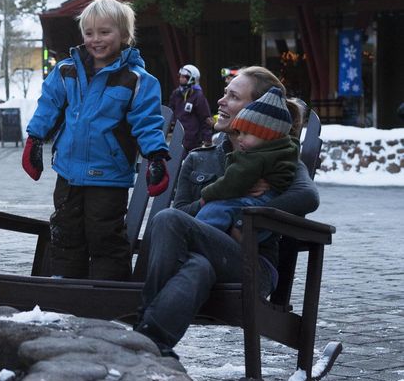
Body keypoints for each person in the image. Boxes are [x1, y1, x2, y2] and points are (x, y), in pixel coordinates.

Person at [136, 66, 320, 358]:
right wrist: (227, 195)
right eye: (224, 94)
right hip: (202, 256)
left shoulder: (277, 159)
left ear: (256, 109)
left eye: (233, 97)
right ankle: (152, 343)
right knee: (197, 266)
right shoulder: (199, 159)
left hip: (251, 264)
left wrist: (240, 217)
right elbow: (183, 211)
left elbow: (307, 196)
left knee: (168, 219)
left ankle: (140, 328)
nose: (221, 101)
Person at [21, 0, 170, 281]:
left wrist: (156, 156)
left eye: (105, 32)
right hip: (68, 173)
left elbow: (147, 122)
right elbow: (49, 105)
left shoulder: (137, 80)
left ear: (124, 35)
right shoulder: (67, 71)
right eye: (89, 33)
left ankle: (108, 296)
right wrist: (35, 139)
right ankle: (65, 293)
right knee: (65, 233)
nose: (96, 39)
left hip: (108, 177)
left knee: (105, 237)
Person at [194, 86, 298, 240]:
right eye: (239, 132)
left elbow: (232, 182)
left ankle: (198, 236)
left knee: (215, 208)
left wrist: (206, 195)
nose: (240, 138)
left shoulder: (255, 157)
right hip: (265, 210)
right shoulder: (284, 150)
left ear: (266, 135)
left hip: (256, 207)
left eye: (246, 133)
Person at [168, 64, 212, 152]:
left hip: (193, 142)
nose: (181, 78)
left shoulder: (198, 96)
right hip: (177, 138)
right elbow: (170, 112)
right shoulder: (176, 93)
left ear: (192, 78)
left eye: (185, 77)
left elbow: (205, 119)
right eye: (180, 76)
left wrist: (207, 139)